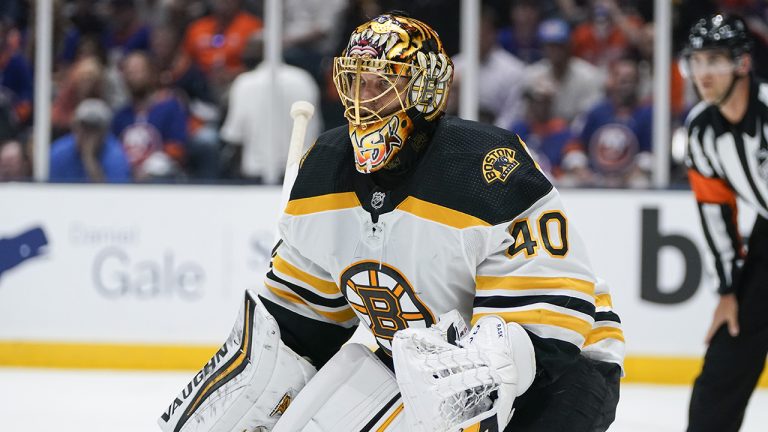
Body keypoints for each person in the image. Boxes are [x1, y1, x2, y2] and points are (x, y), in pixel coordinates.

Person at [159, 14, 624, 432]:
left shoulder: (484, 168)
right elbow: (299, 328)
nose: (363, 99)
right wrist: (247, 389)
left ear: (424, 90)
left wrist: (468, 379)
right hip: (423, 371)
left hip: (561, 370)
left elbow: (545, 328)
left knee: (476, 373)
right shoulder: (323, 168)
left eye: (381, 83)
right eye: (355, 82)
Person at [681, 13, 768, 432]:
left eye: (714, 60)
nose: (703, 73)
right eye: (696, 61)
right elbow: (716, 212)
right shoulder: (700, 131)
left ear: (743, 64)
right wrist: (729, 290)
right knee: (726, 357)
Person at [220, 32, 321, 184]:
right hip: (301, 171)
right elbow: (317, 129)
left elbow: (234, 135)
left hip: (256, 172)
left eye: (250, 49)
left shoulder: (245, 83)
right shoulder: (303, 78)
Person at [49, 99, 131, 183]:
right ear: (74, 127)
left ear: (105, 131)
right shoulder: (58, 152)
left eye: (94, 128)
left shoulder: (116, 157)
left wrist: (89, 159)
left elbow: (112, 194)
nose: (87, 134)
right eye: (84, 127)